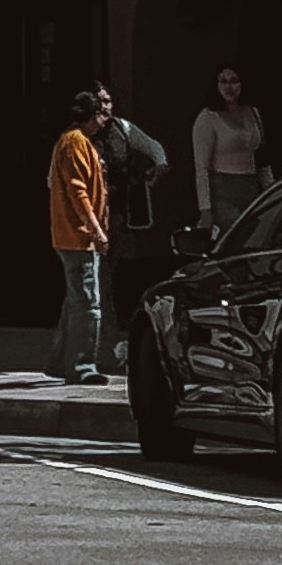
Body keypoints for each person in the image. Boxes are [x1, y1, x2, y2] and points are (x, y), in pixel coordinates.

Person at [88, 81, 169, 364]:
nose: (106, 107)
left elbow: (152, 146)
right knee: (97, 279)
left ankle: (105, 341)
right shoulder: (80, 136)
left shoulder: (122, 128)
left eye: (108, 100)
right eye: (100, 102)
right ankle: (102, 341)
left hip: (116, 213)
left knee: (107, 274)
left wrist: (159, 166)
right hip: (91, 214)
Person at [46, 90, 110, 382]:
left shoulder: (71, 142)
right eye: (100, 113)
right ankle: (82, 366)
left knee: (74, 302)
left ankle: (60, 361)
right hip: (78, 237)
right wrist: (96, 230)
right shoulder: (75, 143)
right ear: (91, 116)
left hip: (73, 235)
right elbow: (78, 191)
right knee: (88, 303)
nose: (104, 119)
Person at [192, 64, 270, 232]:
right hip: (223, 189)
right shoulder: (208, 118)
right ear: (216, 85)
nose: (229, 87)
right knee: (234, 235)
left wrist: (270, 191)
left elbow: (262, 156)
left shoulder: (253, 112)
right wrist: (205, 210)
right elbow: (201, 167)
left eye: (234, 81)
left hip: (251, 185)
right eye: (223, 81)